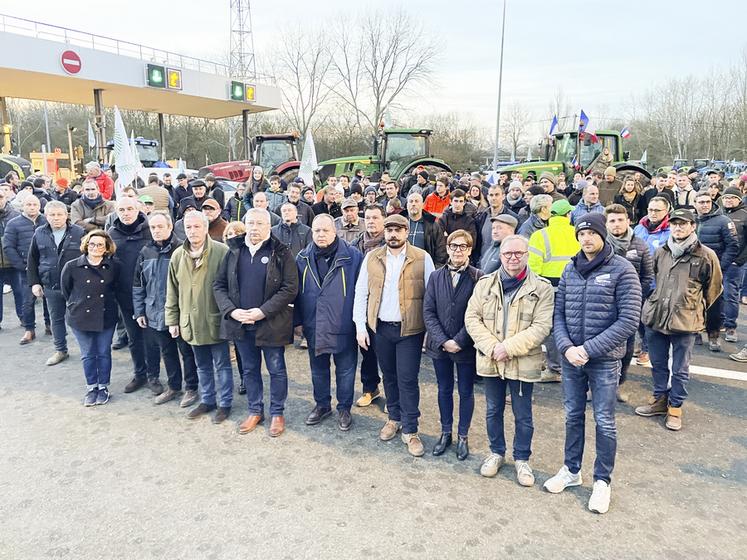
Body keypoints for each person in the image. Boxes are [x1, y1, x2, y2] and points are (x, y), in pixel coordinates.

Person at [544, 213, 642, 515]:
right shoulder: (570, 269)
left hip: (604, 361)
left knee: (604, 421)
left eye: (592, 233)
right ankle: (571, 470)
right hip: (572, 358)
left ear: (603, 235)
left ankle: (602, 481)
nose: (586, 239)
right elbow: (557, 315)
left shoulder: (622, 270)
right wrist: (566, 348)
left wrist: (588, 349)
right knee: (573, 415)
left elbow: (628, 320)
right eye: (582, 233)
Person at [465, 234, 554, 485]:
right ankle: (496, 453)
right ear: (501, 255)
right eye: (508, 254)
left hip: (522, 361)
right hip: (491, 359)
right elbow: (472, 318)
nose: (513, 258)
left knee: (522, 414)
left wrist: (508, 348)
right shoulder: (484, 284)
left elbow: (541, 326)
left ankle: (522, 459)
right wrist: (492, 347)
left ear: (527, 255)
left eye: (519, 253)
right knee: (493, 409)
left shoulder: (542, 288)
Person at [353, 214, 435, 457]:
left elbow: (431, 296)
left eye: (398, 230)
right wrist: (360, 327)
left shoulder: (422, 258)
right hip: (381, 329)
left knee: (407, 379)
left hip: (410, 330)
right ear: (384, 232)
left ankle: (411, 430)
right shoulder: (372, 257)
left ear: (407, 232)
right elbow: (361, 293)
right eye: (389, 229)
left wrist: (430, 331)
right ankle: (394, 418)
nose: (393, 234)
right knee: (388, 375)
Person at [213, 208, 298, 436]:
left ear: (269, 226)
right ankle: (255, 410)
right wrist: (231, 311)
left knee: (276, 369)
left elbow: (290, 288)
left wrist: (262, 311)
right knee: (249, 370)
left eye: (260, 223)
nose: (255, 228)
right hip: (241, 323)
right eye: (250, 223)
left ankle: (277, 413)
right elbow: (219, 286)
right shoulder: (233, 251)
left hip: (270, 322)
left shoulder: (281, 252)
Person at [635, 209, 721, 431]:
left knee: (680, 369)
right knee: (659, 364)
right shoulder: (661, 251)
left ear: (693, 226)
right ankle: (660, 400)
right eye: (674, 224)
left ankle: (675, 407)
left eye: (683, 224)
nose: (678, 228)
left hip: (685, 320)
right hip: (656, 317)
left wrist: (693, 308)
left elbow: (714, 290)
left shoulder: (706, 255)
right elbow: (652, 278)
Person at [295, 214, 363, 430]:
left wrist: (359, 323)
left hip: (343, 324)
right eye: (317, 231)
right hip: (314, 323)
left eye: (325, 230)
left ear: (335, 231)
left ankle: (344, 407)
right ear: (311, 233)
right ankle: (322, 404)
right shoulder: (302, 258)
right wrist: (297, 322)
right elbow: (295, 293)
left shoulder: (353, 257)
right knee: (318, 370)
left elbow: (361, 293)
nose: (321, 235)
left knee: (345, 370)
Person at [165, 212, 232, 423]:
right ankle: (207, 400)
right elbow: (172, 290)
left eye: (196, 227)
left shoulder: (222, 252)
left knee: (222, 364)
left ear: (205, 228)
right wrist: (172, 320)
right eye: (188, 228)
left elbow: (232, 288)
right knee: (201, 364)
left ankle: (225, 403)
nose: (192, 232)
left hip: (215, 320)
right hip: (190, 322)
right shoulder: (177, 255)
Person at [425, 230, 483, 460]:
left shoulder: (479, 277)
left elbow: (479, 314)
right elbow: (428, 312)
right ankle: (445, 431)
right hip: (440, 345)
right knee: (444, 389)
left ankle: (463, 435)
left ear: (470, 250)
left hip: (465, 346)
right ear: (447, 248)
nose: (458, 250)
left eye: (463, 246)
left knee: (466, 391)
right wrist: (443, 340)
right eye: (453, 246)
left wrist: (459, 340)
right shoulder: (436, 276)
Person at [133, 212, 200, 408]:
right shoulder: (145, 252)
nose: (156, 231)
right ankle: (174, 386)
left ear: (170, 227)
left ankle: (192, 387)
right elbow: (138, 284)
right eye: (153, 227)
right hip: (155, 312)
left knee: (186, 352)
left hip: (181, 312)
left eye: (160, 226)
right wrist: (139, 311)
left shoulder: (181, 250)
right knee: (167, 351)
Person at [108, 197, 163, 394]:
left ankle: (153, 376)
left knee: (151, 338)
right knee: (133, 338)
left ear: (138, 209)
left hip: (150, 295)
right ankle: (139, 374)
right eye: (121, 209)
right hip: (125, 296)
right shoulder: (112, 234)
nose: (126, 213)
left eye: (130, 208)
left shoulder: (150, 231)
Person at [61, 230, 121, 406]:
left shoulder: (113, 266)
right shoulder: (72, 266)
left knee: (103, 353)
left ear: (107, 248)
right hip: (80, 317)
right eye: (92, 244)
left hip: (106, 316)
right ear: (86, 245)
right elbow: (66, 291)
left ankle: (103, 387)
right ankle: (91, 387)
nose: (96, 247)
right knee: (88, 354)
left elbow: (117, 289)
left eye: (100, 244)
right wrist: (75, 305)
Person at [605, 204, 654, 402]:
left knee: (626, 349)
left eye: (620, 220)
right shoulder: (600, 244)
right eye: (612, 221)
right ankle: (596, 385)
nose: (616, 224)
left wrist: (633, 299)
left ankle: (619, 384)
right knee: (599, 348)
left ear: (628, 221)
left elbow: (647, 275)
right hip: (603, 306)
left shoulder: (640, 245)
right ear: (606, 224)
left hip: (629, 308)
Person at [27, 201, 85, 366]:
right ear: (46, 216)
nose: (56, 218)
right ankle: (61, 350)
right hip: (50, 284)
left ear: (66, 215)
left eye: (60, 214)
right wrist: (34, 283)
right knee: (56, 319)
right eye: (52, 215)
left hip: (76, 285)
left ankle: (86, 349)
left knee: (80, 317)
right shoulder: (39, 233)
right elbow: (32, 260)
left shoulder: (79, 232)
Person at [527, 199, 580, 381]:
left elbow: (533, 266)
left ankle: (555, 368)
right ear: (568, 215)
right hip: (574, 288)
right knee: (571, 326)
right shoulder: (577, 234)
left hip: (547, 288)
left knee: (549, 328)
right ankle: (572, 366)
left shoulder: (539, 236)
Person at [693, 191, 738, 351]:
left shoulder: (724, 221)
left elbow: (733, 246)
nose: (705, 204)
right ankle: (695, 332)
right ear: (695, 203)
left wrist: (719, 266)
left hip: (715, 270)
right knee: (693, 304)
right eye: (701, 202)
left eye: (707, 201)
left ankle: (713, 336)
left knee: (714, 306)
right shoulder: (690, 220)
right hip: (692, 270)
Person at [353, 204, 386, 407]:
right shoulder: (357, 244)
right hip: (365, 305)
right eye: (369, 218)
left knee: (390, 358)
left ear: (383, 219)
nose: (372, 221)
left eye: (375, 217)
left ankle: (395, 397)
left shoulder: (391, 243)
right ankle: (370, 389)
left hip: (387, 308)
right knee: (367, 351)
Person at [3, 195, 47, 344]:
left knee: (49, 299)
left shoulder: (46, 221)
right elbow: (8, 247)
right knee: (27, 301)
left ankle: (50, 325)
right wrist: (22, 265)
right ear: (23, 206)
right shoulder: (13, 224)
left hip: (46, 267)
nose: (32, 207)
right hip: (25, 269)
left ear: (39, 206)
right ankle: (29, 329)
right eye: (28, 204)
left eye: (35, 204)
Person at [720, 187, 747, 342]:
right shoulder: (720, 214)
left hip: (735, 263)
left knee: (730, 295)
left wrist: (739, 261)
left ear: (739, 199)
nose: (728, 200)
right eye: (726, 197)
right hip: (718, 260)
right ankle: (719, 322)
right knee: (716, 294)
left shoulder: (744, 215)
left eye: (732, 197)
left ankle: (730, 326)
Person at [475, 184, 519, 262]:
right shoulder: (481, 216)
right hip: (483, 262)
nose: (494, 198)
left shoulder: (512, 218)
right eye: (491, 195)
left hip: (503, 263)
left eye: (497, 195)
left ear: (503, 196)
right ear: (488, 197)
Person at [0, 188, 24, 330]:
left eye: (1, 197)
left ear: (5, 198)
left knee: (20, 292)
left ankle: (24, 318)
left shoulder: (15, 215)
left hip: (13, 262)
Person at [405, 192, 447, 267]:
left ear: (422, 205)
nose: (413, 204)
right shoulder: (400, 224)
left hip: (424, 267)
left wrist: (434, 271)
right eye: (411, 201)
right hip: (403, 267)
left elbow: (441, 251)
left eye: (416, 201)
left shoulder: (433, 225)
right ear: (407, 205)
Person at [438, 189, 478, 262]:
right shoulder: (443, 219)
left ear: (464, 203)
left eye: (461, 201)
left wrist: (447, 236)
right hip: (445, 259)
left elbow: (472, 243)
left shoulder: (470, 221)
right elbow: (438, 240)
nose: (458, 204)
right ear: (450, 202)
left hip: (464, 259)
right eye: (456, 201)